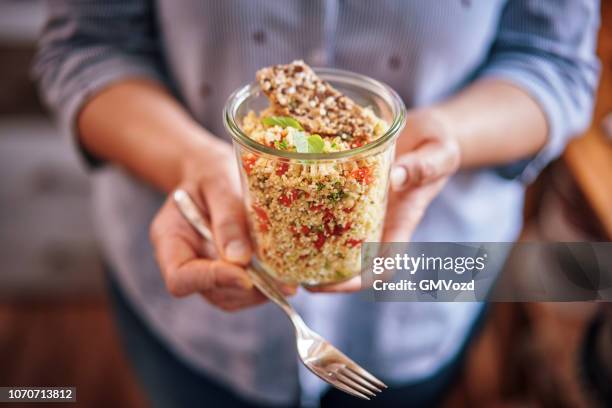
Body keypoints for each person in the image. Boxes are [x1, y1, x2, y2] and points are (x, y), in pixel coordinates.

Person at [34, 1, 600, 407]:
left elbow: (554, 63)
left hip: (421, 302)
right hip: (191, 309)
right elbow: (87, 45)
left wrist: (447, 137)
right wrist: (187, 159)